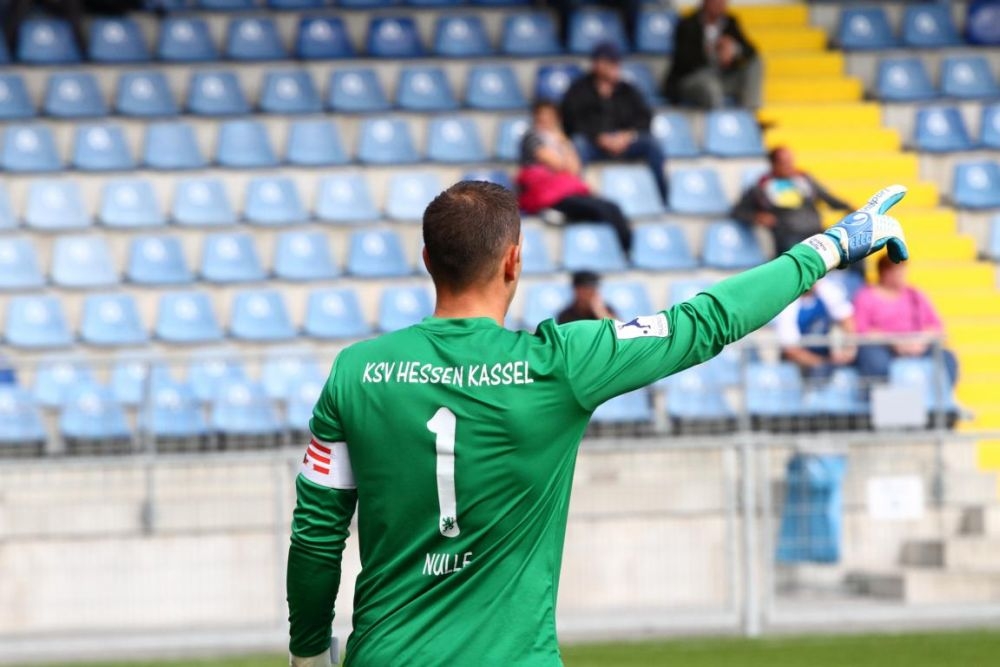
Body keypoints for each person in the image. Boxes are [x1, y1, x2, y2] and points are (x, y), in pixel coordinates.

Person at [286, 181, 909, 666]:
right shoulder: (559, 364)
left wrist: (308, 652)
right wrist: (829, 246)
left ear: (427, 260)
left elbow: (316, 536)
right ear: (513, 261)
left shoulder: (356, 372)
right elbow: (707, 321)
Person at [517, 100, 634, 254]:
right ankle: (623, 252)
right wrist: (561, 146)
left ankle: (627, 251)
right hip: (549, 195)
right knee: (601, 210)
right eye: (543, 115)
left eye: (550, 115)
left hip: (565, 190)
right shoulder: (531, 137)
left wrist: (562, 141)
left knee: (612, 207)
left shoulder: (558, 138)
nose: (546, 119)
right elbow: (559, 165)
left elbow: (575, 169)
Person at [560, 42, 669, 205]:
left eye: (615, 62)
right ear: (597, 64)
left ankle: (663, 197)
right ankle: (577, 198)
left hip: (624, 142)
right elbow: (572, 121)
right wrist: (598, 137)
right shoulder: (579, 89)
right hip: (594, 143)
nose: (614, 67)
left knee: (652, 144)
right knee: (578, 144)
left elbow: (645, 117)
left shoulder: (627, 89)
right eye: (609, 62)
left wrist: (627, 135)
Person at [853, 254, 958, 386]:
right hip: (883, 347)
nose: (903, 275)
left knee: (946, 358)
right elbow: (861, 331)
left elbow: (935, 326)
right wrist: (894, 342)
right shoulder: (866, 296)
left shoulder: (914, 295)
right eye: (898, 271)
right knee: (875, 361)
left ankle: (941, 396)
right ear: (885, 272)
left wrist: (920, 342)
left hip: (915, 344)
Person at [732, 146, 855, 256]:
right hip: (788, 236)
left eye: (790, 162)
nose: (789, 166)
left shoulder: (804, 179)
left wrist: (851, 209)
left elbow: (828, 198)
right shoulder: (763, 186)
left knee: (849, 248)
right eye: (784, 163)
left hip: (816, 232)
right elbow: (738, 211)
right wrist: (757, 216)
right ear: (774, 164)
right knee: (799, 256)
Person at [664, 0, 763, 109]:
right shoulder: (688, 24)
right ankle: (719, 118)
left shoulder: (730, 22)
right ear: (706, 2)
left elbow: (750, 51)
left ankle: (750, 113)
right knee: (710, 85)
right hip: (695, 78)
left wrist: (734, 50)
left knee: (755, 63)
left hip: (722, 77)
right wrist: (711, 51)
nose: (720, 5)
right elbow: (683, 61)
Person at [775, 279, 856, 378]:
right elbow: (791, 350)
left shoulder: (826, 290)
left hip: (825, 357)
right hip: (799, 366)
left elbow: (847, 320)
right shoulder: (788, 302)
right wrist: (822, 363)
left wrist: (848, 351)